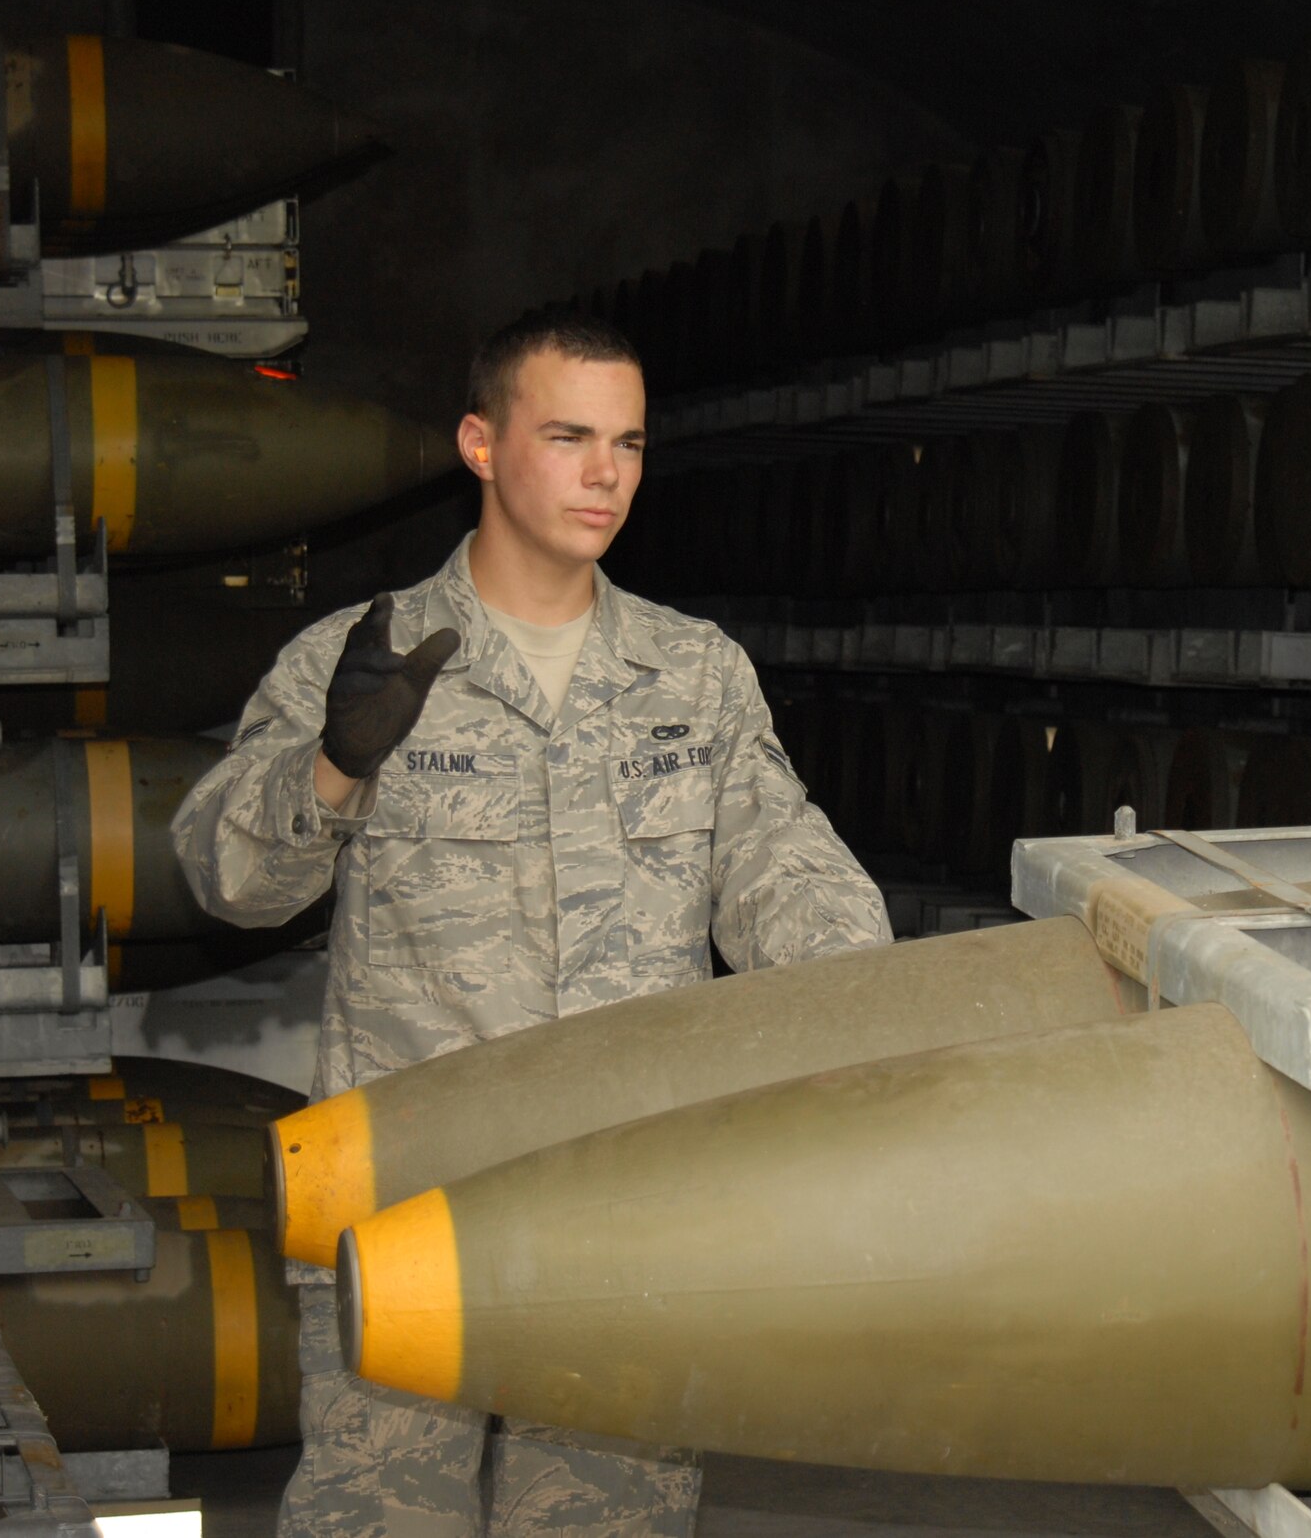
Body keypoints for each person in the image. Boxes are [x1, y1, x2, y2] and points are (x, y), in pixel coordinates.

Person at [172, 308, 891, 1537]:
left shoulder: (693, 673)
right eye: (568, 436)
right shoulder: (364, 659)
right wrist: (336, 769)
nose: (606, 473)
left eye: (629, 443)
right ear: (479, 443)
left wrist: (873, 1013)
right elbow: (226, 879)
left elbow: (782, 869)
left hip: (623, 1213)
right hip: (404, 1205)